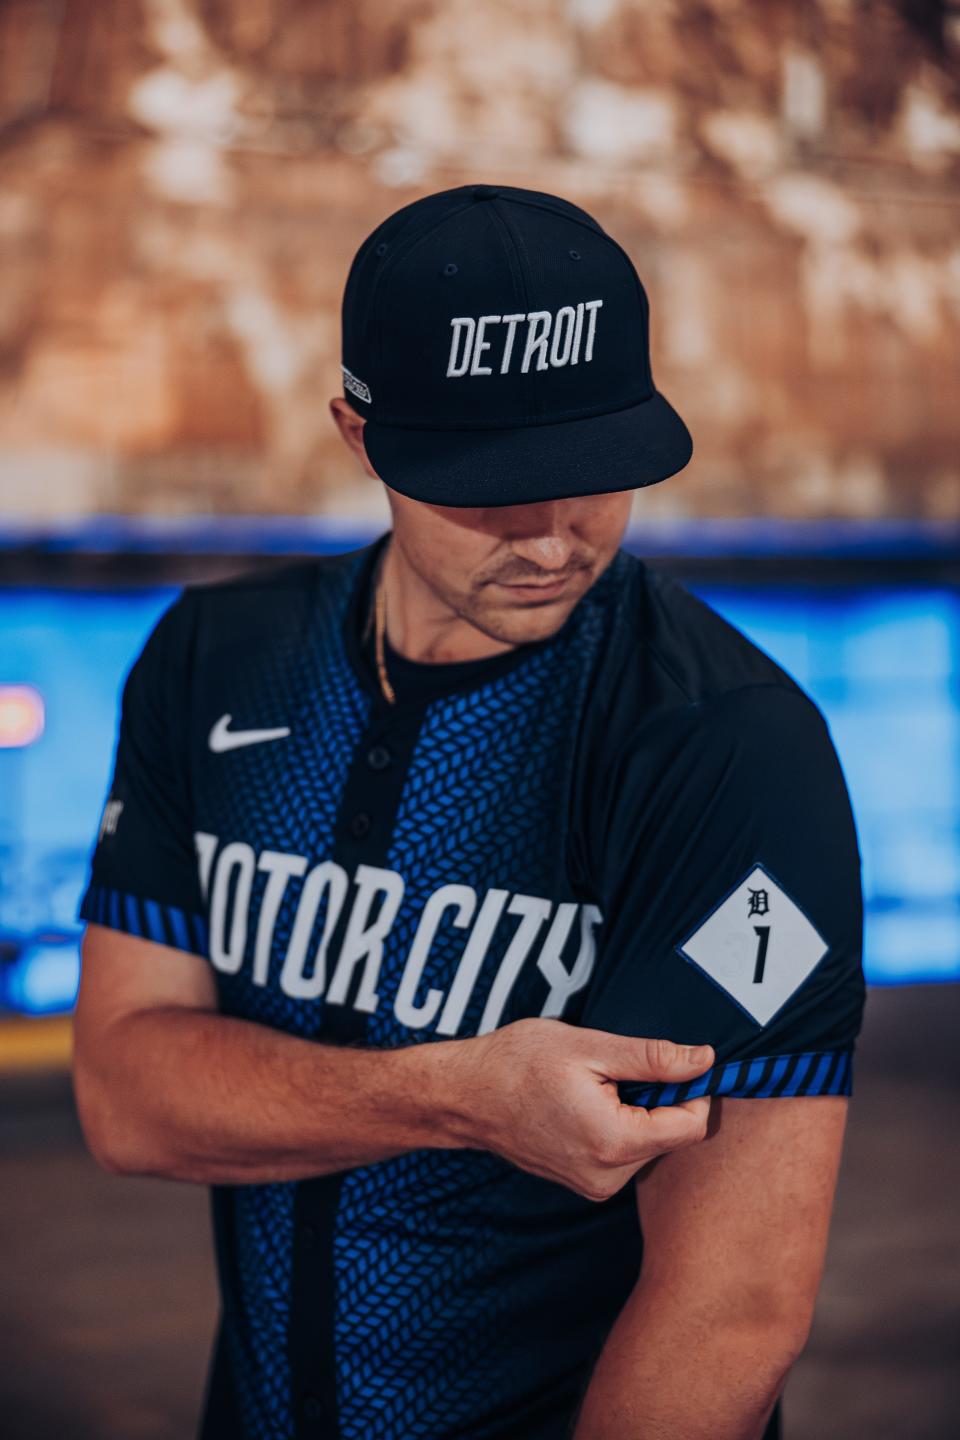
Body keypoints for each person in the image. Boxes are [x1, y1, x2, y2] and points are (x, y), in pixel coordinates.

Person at [72, 184, 866, 1440]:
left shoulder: (727, 745)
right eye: (495, 484)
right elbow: (127, 1095)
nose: (554, 535)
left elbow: (736, 1304)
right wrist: (456, 1094)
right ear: (358, 431)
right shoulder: (214, 659)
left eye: (597, 470)